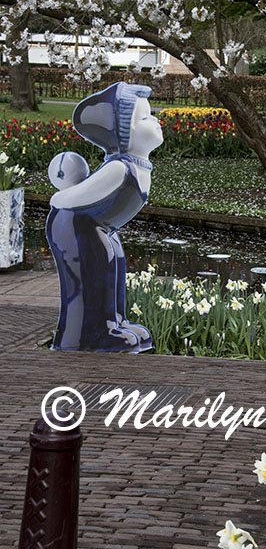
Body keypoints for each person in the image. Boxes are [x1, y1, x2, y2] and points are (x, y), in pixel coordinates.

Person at [46, 81, 163, 352]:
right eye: (145, 117)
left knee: (114, 263)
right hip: (74, 226)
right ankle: (84, 335)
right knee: (90, 275)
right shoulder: (119, 168)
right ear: (124, 133)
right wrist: (59, 196)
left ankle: (115, 322)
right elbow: (68, 199)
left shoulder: (136, 165)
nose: (155, 120)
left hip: (102, 227)